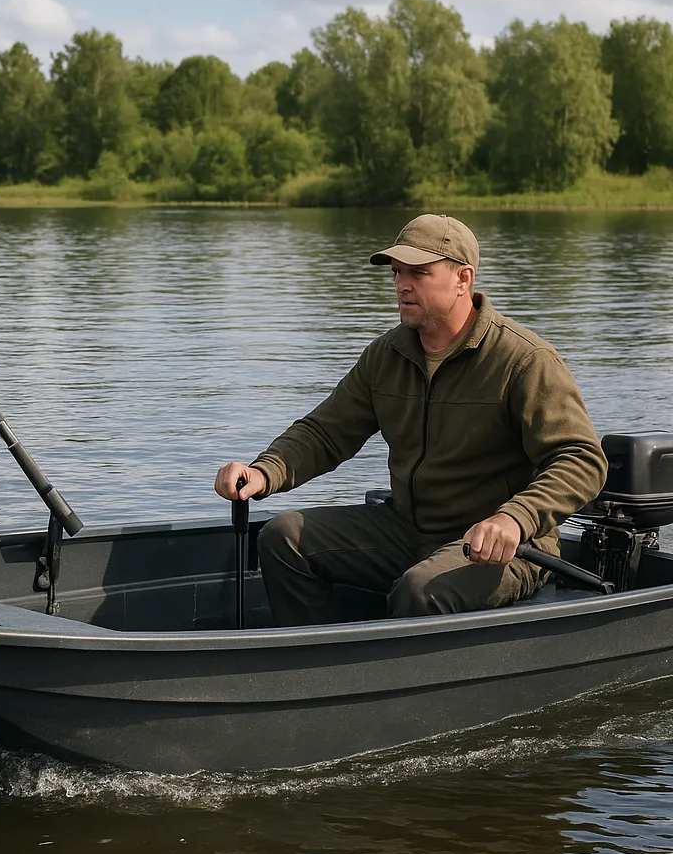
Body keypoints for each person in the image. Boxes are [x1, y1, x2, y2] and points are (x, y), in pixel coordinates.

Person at [214, 213, 608, 626]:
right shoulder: (386, 355)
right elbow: (326, 432)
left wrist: (514, 518)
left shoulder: (524, 360)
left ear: (463, 278)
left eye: (419, 273)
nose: (402, 285)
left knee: (421, 590)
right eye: (397, 272)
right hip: (405, 529)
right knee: (282, 537)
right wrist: (264, 471)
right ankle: (315, 658)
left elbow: (582, 460)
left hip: (504, 548)